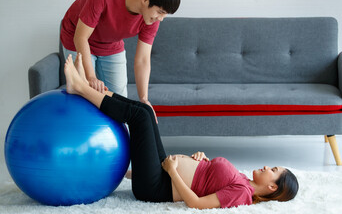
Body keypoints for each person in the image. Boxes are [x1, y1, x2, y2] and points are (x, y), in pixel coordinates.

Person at [64, 53, 299, 209]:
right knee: (145, 111)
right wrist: (201, 159)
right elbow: (207, 180)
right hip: (162, 173)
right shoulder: (244, 181)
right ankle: (87, 87)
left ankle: (81, 88)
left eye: (273, 170)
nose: (268, 167)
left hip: (156, 188)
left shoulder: (242, 194)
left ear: (272, 187)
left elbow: (196, 203)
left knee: (138, 118)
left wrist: (174, 171)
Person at [60, 0, 181, 121]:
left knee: (120, 103)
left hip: (110, 43)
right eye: (160, 12)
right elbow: (81, 37)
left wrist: (144, 99)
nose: (161, 19)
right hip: (77, 36)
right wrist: (91, 77)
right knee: (86, 93)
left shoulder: (152, 19)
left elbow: (142, 59)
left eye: (165, 14)